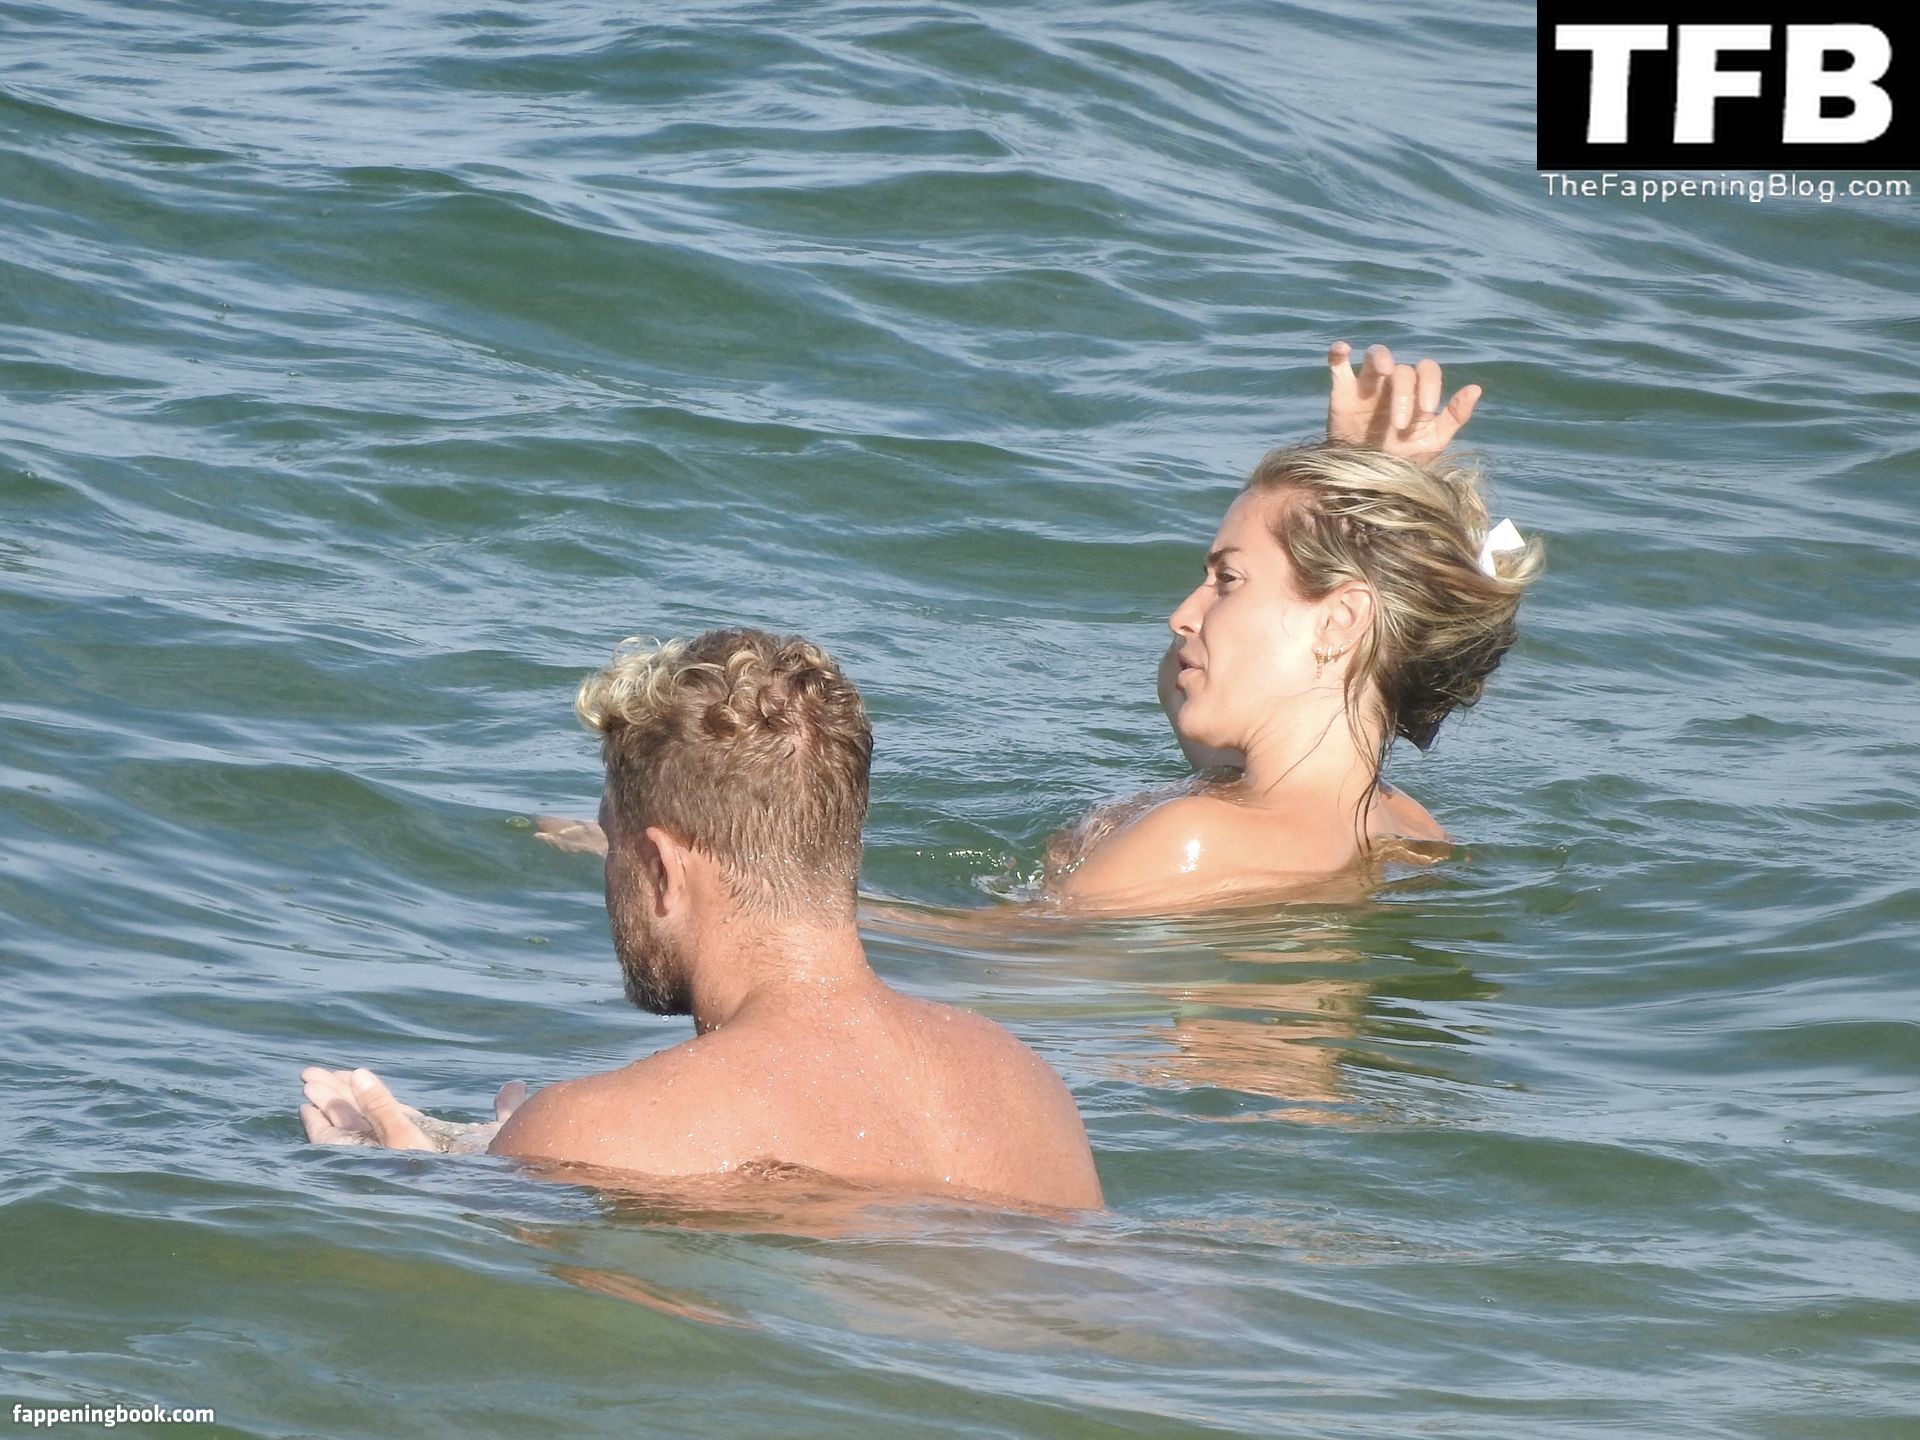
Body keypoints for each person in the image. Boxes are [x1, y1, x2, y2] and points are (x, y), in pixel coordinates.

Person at [299, 629, 1104, 1212]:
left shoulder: (595, 1131)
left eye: (613, 841)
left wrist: (427, 1189)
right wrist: (524, 1154)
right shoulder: (1026, 1086)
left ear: (659, 868)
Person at [1041, 342, 1541, 911]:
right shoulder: (1410, 829)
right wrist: (1355, 488)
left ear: (1340, 618)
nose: (1182, 616)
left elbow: (1002, 957)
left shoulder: (1193, 840)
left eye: (1227, 579)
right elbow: (1180, 684)